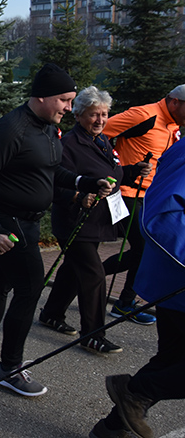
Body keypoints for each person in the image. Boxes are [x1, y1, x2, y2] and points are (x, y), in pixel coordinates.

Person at [0, 63, 112, 397]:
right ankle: (9, 367)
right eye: (64, 100)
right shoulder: (10, 128)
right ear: (42, 97)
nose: (69, 108)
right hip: (10, 223)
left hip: (30, 221)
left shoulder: (47, 127)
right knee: (30, 288)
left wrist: (86, 182)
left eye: (71, 100)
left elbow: (51, 169)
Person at [39, 87, 150, 354]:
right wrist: (78, 196)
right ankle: (93, 334)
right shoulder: (69, 144)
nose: (100, 120)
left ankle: (52, 313)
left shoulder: (101, 141)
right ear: (78, 115)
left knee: (73, 268)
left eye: (104, 114)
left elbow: (110, 172)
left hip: (97, 221)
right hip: (74, 221)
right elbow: (55, 182)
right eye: (93, 115)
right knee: (94, 274)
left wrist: (132, 171)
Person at [89, 137, 185, 438]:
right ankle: (135, 392)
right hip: (178, 279)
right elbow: (162, 216)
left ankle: (112, 426)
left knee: (172, 360)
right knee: (173, 361)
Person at [99, 85, 185, 325]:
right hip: (128, 192)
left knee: (143, 249)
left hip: (150, 196)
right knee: (145, 247)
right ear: (175, 102)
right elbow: (98, 132)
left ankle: (89, 277)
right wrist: (113, 165)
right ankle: (121, 301)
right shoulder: (144, 115)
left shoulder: (173, 125)